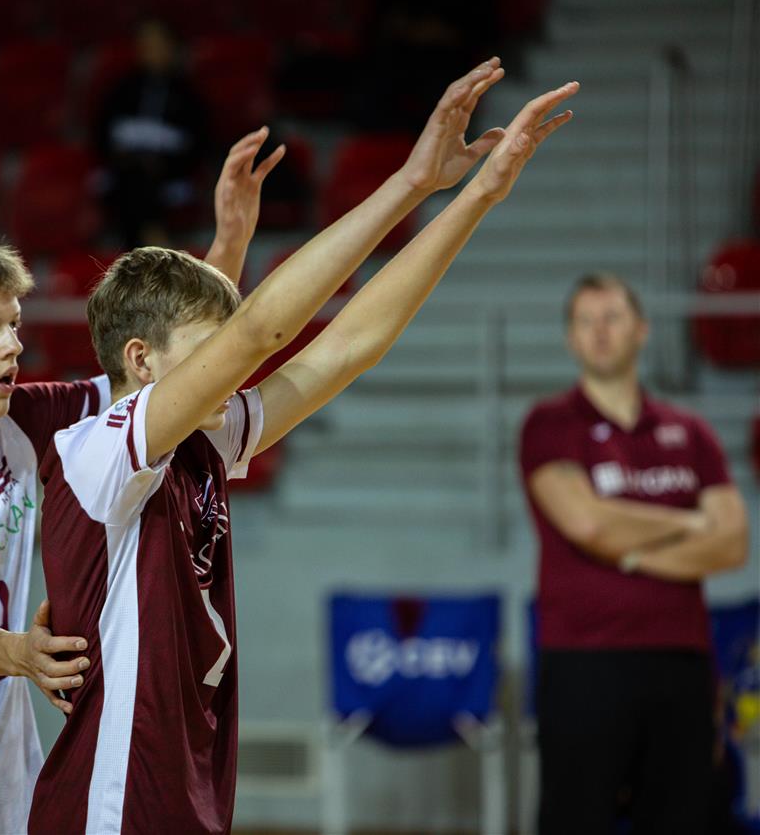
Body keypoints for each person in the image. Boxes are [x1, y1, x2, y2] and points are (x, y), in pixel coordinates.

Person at [29, 60, 576, 833]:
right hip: (111, 803)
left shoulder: (202, 441)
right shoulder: (99, 449)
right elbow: (263, 330)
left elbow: (350, 345)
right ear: (141, 362)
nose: (232, 366)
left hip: (182, 783)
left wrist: (475, 196)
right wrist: (410, 182)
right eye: (210, 349)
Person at [0, 134, 280, 834]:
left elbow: (166, 378)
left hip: (11, 791)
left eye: (14, 324)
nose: (13, 345)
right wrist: (16, 650)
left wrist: (228, 247)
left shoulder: (18, 421)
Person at [519, 273, 750, 835]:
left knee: (683, 820)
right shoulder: (550, 424)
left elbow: (733, 541)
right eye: (585, 321)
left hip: (681, 661)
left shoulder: (690, 432)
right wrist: (688, 523)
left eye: (612, 317)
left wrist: (625, 552)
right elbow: (586, 522)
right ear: (571, 338)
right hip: (584, 662)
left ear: (642, 330)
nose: (599, 332)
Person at [93, 19, 211, 247]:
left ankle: (140, 249)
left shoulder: (188, 94)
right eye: (146, 45)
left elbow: (198, 145)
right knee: (133, 178)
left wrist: (163, 163)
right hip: (125, 171)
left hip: (170, 175)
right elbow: (102, 137)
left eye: (158, 44)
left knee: (139, 181)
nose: (152, 51)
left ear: (172, 47)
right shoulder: (121, 89)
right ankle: (154, 238)